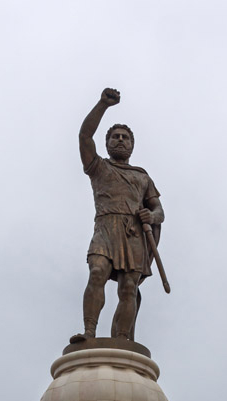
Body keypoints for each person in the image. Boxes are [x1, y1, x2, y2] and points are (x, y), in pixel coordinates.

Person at [71, 88, 164, 343]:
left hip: (133, 233)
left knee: (128, 288)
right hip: (105, 227)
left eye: (125, 137)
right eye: (115, 137)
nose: (120, 140)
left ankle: (122, 339)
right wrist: (103, 104)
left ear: (132, 145)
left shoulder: (142, 176)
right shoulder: (99, 167)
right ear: (107, 143)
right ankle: (89, 332)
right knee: (97, 272)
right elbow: (84, 135)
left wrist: (151, 217)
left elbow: (159, 211)